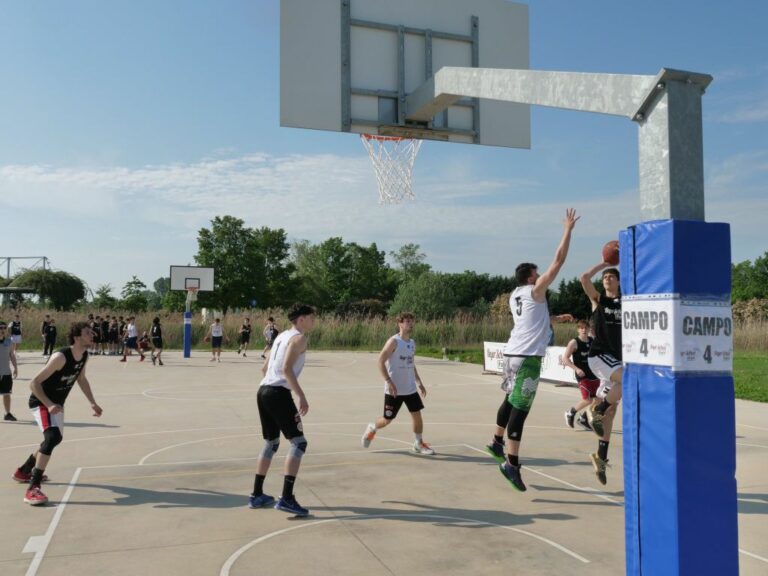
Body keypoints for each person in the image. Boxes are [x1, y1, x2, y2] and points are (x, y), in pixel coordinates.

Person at [485, 208, 579, 492]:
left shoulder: (516, 295)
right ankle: (511, 464)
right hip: (526, 359)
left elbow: (531, 319)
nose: (541, 277)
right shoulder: (535, 290)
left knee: (509, 400)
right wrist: (568, 230)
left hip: (512, 354)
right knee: (521, 409)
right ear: (530, 278)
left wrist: (555, 317)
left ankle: (496, 442)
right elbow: (559, 261)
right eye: (537, 274)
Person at [12, 321, 103, 505]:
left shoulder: (84, 355)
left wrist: (93, 402)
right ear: (77, 337)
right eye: (87, 333)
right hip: (41, 401)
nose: (92, 335)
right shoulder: (61, 357)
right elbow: (34, 383)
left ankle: (24, 470)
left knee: (54, 439)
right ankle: (33, 488)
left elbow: (82, 379)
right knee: (52, 437)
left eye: (91, 332)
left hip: (56, 404)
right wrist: (49, 404)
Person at [249, 303, 315, 517]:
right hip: (277, 392)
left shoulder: (281, 336)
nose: (314, 320)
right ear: (301, 319)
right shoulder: (299, 339)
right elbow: (286, 369)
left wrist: (271, 388)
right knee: (299, 442)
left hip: (263, 390)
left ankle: (256, 494)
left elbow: (263, 368)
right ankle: (286, 498)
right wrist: (301, 396)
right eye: (311, 317)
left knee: (271, 442)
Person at [361, 312, 434, 455]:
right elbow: (380, 361)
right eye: (407, 321)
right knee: (387, 420)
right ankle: (372, 428)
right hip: (394, 390)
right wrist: (388, 381)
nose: (410, 324)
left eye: (412, 321)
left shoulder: (412, 343)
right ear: (400, 324)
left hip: (410, 389)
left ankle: (418, 444)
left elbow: (411, 364)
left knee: (417, 415)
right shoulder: (393, 342)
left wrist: (419, 383)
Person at [580, 264, 622, 485]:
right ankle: (597, 409)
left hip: (616, 361)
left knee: (612, 412)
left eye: (611, 276)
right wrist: (606, 262)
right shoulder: (599, 301)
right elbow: (585, 277)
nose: (607, 278)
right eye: (605, 277)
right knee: (627, 380)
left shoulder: (626, 302)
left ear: (618, 281)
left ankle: (601, 457)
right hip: (600, 356)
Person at [561, 320, 600, 431]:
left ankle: (584, 419)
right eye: (581, 328)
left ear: (589, 329)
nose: (584, 330)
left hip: (594, 374)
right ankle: (570, 413)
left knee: (598, 400)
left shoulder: (592, 341)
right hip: (582, 375)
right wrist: (576, 369)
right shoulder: (574, 342)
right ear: (578, 329)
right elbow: (565, 358)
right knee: (587, 400)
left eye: (586, 328)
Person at [1, 321, 19, 421]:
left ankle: (7, 414)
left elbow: (12, 355)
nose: (2, 330)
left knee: (6, 394)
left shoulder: (9, 341)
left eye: (4, 328)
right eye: (0, 328)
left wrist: (15, 367)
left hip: (6, 373)